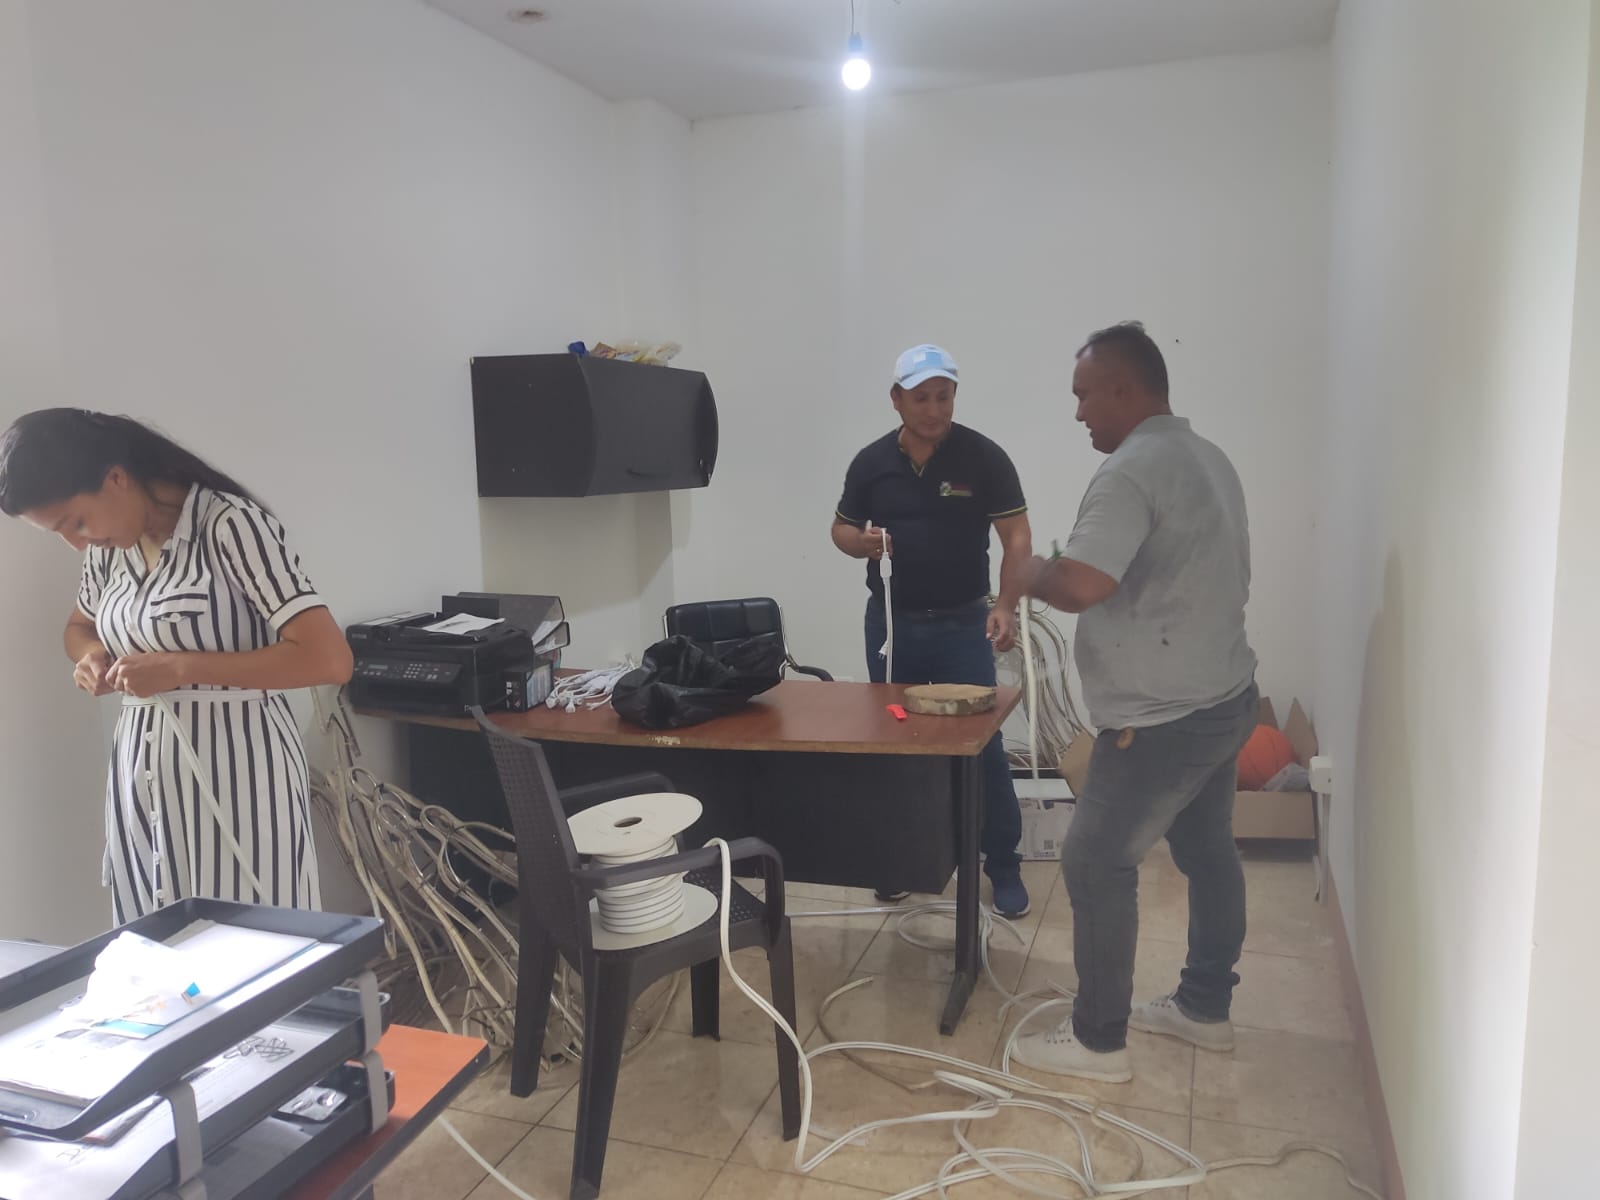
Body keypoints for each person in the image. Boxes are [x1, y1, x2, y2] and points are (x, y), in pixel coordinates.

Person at [1008, 322, 1259, 1083]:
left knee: (1094, 861)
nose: (1078, 412)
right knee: (1207, 850)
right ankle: (1204, 1009)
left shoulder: (1130, 469)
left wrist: (1029, 571)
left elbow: (1083, 583)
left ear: (1123, 388)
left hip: (1161, 719)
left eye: (1085, 395)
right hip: (1224, 697)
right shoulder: (1206, 457)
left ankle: (1097, 1042)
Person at [0, 409, 354, 923]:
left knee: (256, 939)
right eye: (59, 532)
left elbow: (329, 658)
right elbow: (78, 628)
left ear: (115, 478)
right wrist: (92, 656)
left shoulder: (229, 525)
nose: (76, 542)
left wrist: (185, 668)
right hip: (139, 782)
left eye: (76, 521)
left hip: (240, 776)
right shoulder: (109, 549)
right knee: (155, 943)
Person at [832, 344, 1033, 919]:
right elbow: (840, 530)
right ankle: (899, 861)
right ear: (897, 399)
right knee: (896, 745)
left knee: (982, 746)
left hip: (963, 626)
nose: (934, 409)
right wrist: (861, 544)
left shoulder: (983, 457)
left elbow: (1017, 539)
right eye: (921, 398)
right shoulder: (871, 463)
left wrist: (1006, 606)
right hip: (892, 628)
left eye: (943, 397)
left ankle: (1003, 865)